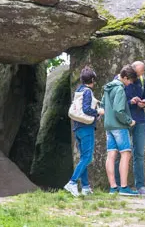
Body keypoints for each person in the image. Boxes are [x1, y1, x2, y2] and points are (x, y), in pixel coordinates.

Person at [63, 66, 104, 197]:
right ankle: (72, 182)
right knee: (87, 157)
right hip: (87, 128)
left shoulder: (79, 90)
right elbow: (86, 109)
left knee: (83, 158)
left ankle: (85, 187)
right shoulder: (87, 92)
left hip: (78, 128)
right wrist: (98, 111)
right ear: (92, 79)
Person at [101, 65, 139, 196]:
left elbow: (102, 105)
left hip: (108, 126)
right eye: (130, 81)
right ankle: (123, 187)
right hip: (119, 126)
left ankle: (113, 188)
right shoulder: (119, 89)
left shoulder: (108, 87)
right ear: (125, 78)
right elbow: (118, 110)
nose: (130, 84)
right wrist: (129, 121)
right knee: (126, 154)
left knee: (111, 155)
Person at [115, 60, 145, 197]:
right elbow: (117, 102)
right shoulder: (120, 79)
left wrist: (144, 103)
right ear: (132, 69)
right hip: (125, 121)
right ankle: (118, 186)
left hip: (140, 120)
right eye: (137, 73)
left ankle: (140, 186)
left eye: (141, 73)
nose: (139, 76)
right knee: (122, 152)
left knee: (139, 154)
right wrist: (131, 102)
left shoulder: (142, 80)